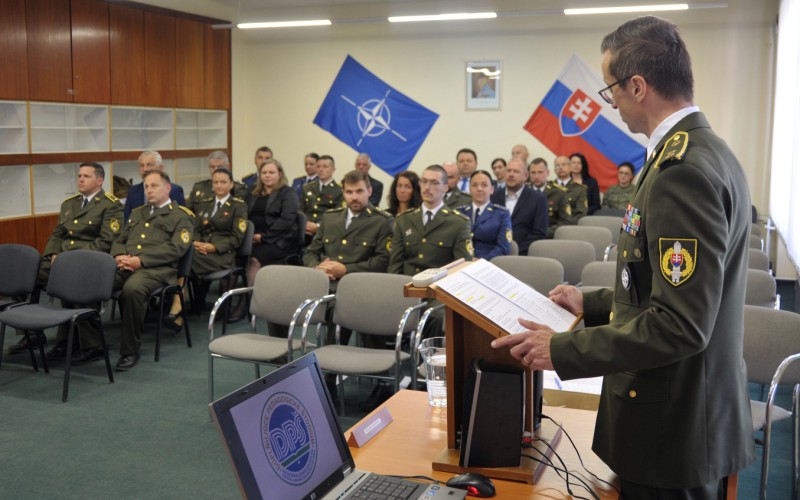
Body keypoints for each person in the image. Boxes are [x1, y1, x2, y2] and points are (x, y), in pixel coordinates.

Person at [492, 16, 754, 498]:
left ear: (638, 85)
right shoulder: (707, 151)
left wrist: (561, 349)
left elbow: (681, 323)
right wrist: (589, 303)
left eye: (610, 90)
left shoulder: (682, 171)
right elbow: (665, 287)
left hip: (672, 428)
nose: (610, 103)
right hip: (686, 413)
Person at [9, 163, 123, 363]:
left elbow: (106, 241)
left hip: (90, 262)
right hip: (62, 260)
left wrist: (70, 260)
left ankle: (90, 344)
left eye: (86, 176)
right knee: (25, 276)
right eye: (79, 175)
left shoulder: (110, 205)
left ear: (99, 180)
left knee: (75, 282)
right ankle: (32, 333)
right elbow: (57, 234)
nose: (80, 179)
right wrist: (53, 252)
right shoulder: (69, 204)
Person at [111, 170, 195, 371]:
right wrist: (119, 256)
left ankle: (130, 350)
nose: (149, 190)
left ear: (168, 188)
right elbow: (119, 240)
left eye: (154, 186)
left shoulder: (181, 216)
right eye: (146, 186)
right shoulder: (136, 212)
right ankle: (89, 344)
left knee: (132, 289)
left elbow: (176, 249)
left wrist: (140, 261)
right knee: (92, 282)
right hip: (126, 265)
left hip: (158, 270)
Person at [179, 168, 247, 321]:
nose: (219, 186)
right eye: (216, 182)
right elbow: (195, 227)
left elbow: (237, 237)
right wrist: (196, 242)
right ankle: (175, 306)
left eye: (223, 182)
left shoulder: (239, 206)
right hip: (201, 251)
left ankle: (176, 309)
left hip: (222, 256)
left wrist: (215, 247)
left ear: (231, 185)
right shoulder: (205, 204)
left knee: (183, 260)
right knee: (182, 255)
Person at [389, 165, 473, 275]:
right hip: (407, 284)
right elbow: (395, 264)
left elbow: (462, 267)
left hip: (438, 286)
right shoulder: (404, 220)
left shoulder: (458, 223)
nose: (427, 187)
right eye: (424, 181)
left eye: (434, 183)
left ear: (445, 188)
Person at [245, 159, 300, 288]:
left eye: (271, 172)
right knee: (233, 258)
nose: (267, 175)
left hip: (278, 240)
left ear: (279, 174)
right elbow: (243, 214)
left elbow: (287, 219)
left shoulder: (288, 193)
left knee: (254, 260)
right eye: (264, 172)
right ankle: (225, 303)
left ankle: (246, 303)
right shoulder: (253, 191)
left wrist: (263, 237)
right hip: (252, 239)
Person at [490, 158, 548, 255]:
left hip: (524, 255)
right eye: (508, 171)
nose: (511, 174)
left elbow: (539, 233)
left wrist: (515, 250)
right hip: (494, 253)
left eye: (516, 171)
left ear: (525, 176)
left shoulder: (538, 199)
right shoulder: (493, 196)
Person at [457, 170, 511, 260]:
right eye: (474, 185)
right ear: (469, 189)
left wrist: (481, 261)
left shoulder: (501, 214)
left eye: (484, 185)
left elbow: (503, 248)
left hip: (490, 264)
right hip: (461, 263)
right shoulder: (459, 212)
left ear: (492, 189)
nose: (479, 189)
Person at [123, 150, 186, 221]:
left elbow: (181, 219)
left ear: (161, 168)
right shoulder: (133, 191)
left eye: (149, 165)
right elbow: (126, 220)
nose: (145, 169)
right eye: (142, 165)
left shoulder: (174, 190)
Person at [299, 154, 345, 239]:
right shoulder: (307, 187)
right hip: (304, 232)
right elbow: (300, 210)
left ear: (333, 169)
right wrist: (305, 224)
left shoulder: (339, 190)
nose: (320, 169)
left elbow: (338, 216)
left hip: (326, 234)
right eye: (318, 166)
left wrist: (318, 226)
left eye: (325, 166)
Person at [527, 158, 572, 238]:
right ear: (528, 174)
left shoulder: (559, 193)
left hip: (550, 237)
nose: (536, 176)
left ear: (547, 173)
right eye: (533, 173)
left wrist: (545, 232)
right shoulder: (524, 192)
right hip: (525, 237)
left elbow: (565, 221)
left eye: (540, 172)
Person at [553, 155, 588, 222]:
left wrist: (565, 226)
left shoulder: (580, 190)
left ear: (570, 168)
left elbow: (580, 214)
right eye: (557, 165)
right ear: (554, 170)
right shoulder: (548, 188)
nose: (560, 167)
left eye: (563, 165)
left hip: (569, 228)